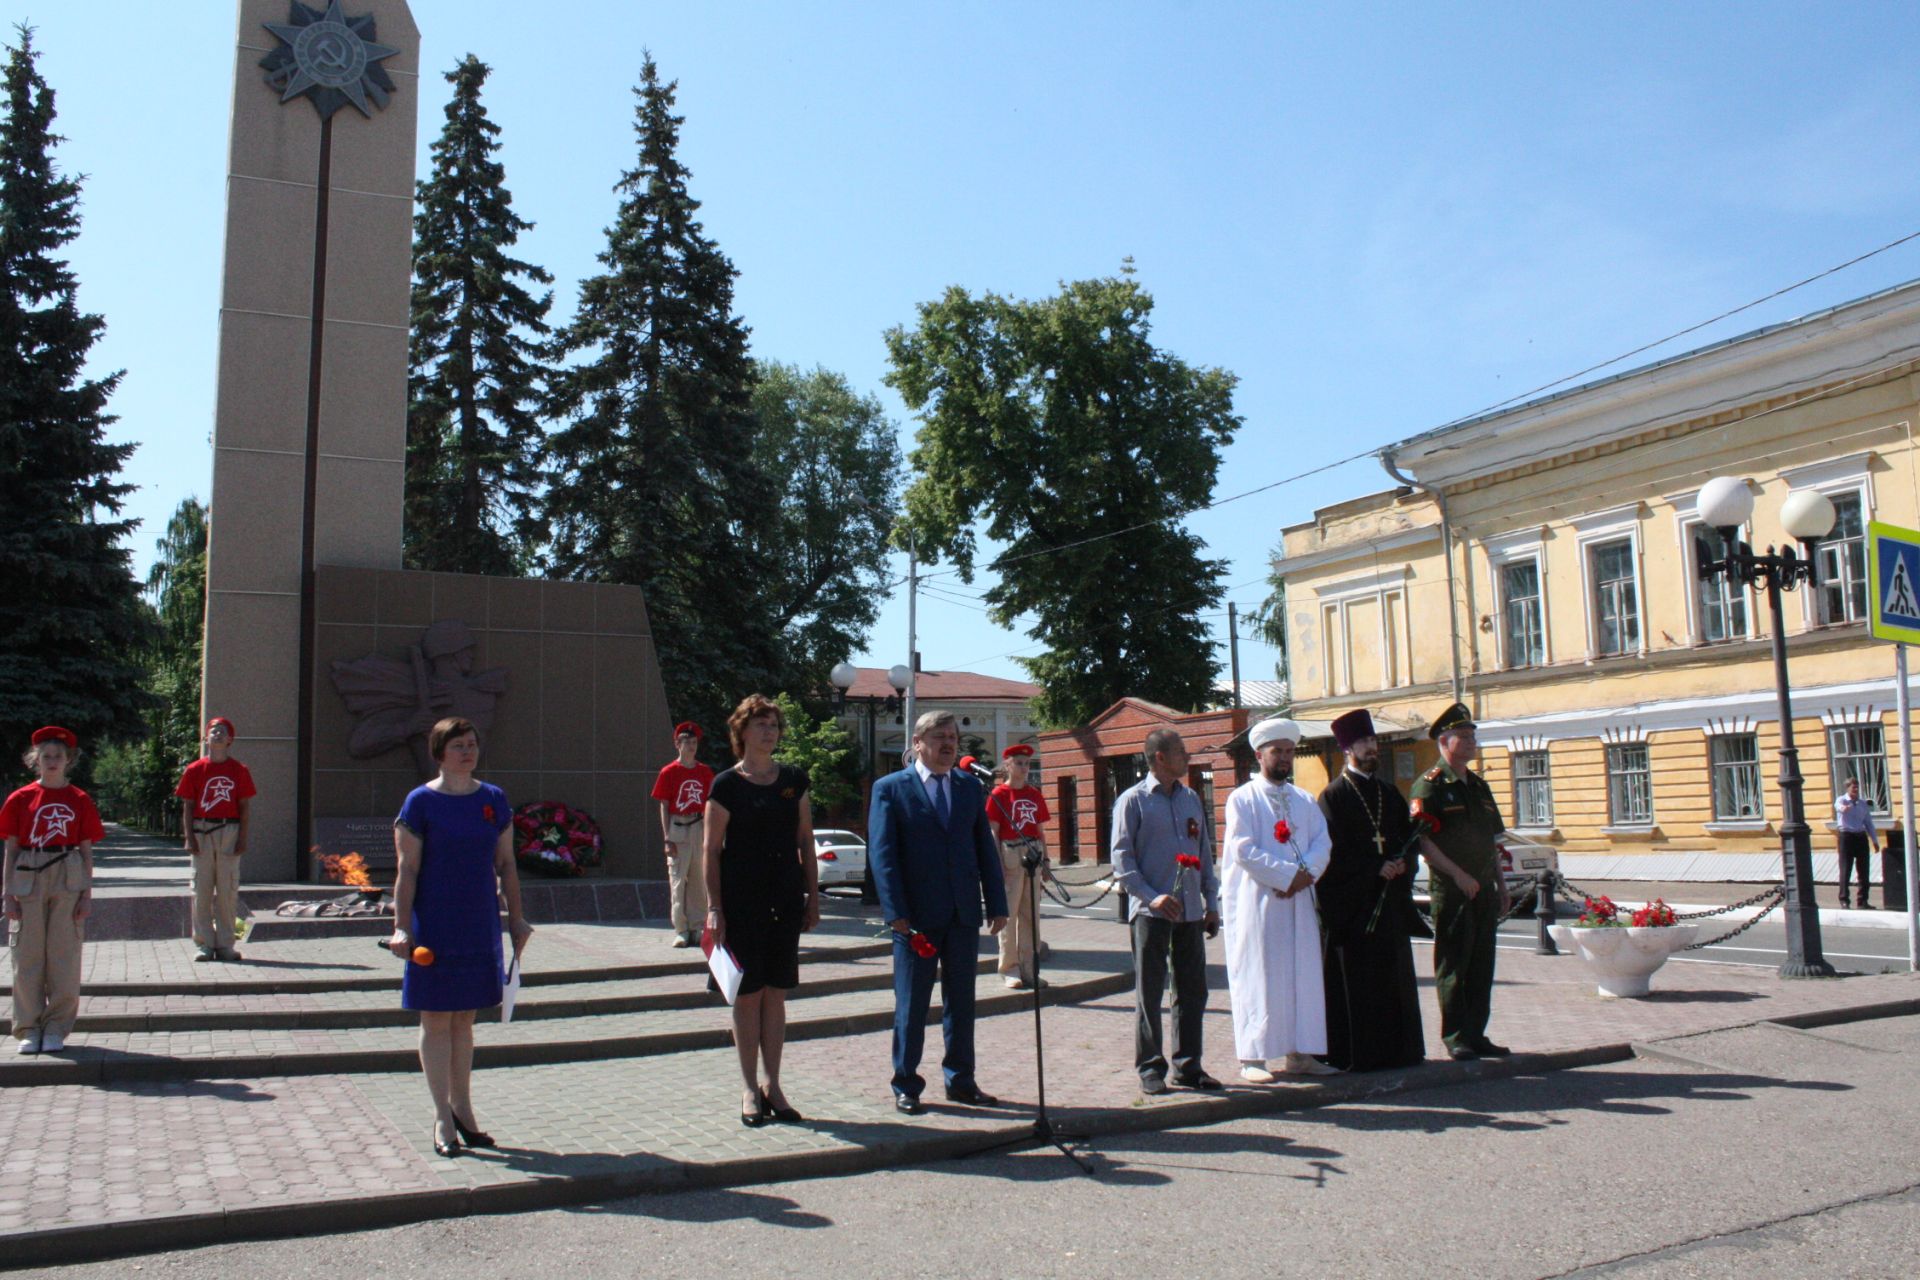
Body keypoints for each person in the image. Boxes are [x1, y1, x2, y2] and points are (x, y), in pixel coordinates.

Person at [387, 717, 534, 1157]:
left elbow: (506, 864)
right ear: (439, 753)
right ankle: (441, 1118)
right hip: (434, 923)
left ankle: (464, 1111)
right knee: (435, 1019)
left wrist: (517, 919)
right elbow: (406, 870)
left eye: (472, 744)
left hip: (477, 920)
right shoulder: (420, 802)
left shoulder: (493, 799)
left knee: (464, 1021)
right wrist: (401, 926)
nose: (468, 752)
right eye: (458, 746)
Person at [868, 709, 1009, 1115]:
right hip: (915, 919)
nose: (949, 745)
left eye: (952, 738)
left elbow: (984, 847)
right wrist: (895, 911)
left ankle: (961, 1081)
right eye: (939, 737)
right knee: (912, 1005)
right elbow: (883, 855)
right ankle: (906, 1084)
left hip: (962, 914)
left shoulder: (968, 787)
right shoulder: (890, 788)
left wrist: (995, 903)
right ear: (918, 743)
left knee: (962, 1003)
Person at [703, 695, 821, 1128]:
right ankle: (749, 1088)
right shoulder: (726, 785)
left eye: (773, 725)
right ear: (742, 732)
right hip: (740, 903)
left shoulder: (793, 780)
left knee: (776, 993)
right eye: (760, 725)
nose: (769, 732)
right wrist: (714, 909)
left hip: (785, 900)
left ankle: (774, 1085)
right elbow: (710, 850)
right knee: (747, 996)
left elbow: (805, 841)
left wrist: (813, 895)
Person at [1221, 717, 1335, 1082]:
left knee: (1301, 974)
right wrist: (1286, 876)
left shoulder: (1303, 799)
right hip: (1259, 903)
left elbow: (1323, 843)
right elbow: (1243, 850)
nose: (1285, 758)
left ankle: (1301, 1053)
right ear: (1259, 754)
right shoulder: (1242, 798)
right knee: (1259, 975)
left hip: (1299, 902)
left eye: (1289, 751)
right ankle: (1252, 1058)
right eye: (1278, 751)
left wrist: (1304, 876)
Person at [1112, 728, 1223, 1095]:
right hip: (1152, 913)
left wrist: (1211, 903)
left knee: (1193, 991)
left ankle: (1188, 1065)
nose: (1187, 756)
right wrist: (1151, 897)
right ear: (1160, 757)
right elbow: (1122, 860)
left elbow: (1204, 852)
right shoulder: (1134, 801)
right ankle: (1150, 1067)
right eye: (1180, 751)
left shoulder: (1190, 797)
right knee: (1150, 991)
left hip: (1190, 912)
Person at [1315, 709, 1426, 1072]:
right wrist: (1373, 868)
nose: (1372, 748)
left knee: (1393, 978)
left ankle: (1400, 1051)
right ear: (1347, 748)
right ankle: (1360, 1054)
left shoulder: (1388, 792)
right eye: (1364, 742)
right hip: (1355, 907)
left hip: (1388, 903)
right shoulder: (1332, 796)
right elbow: (1331, 853)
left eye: (1374, 741)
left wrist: (1402, 863)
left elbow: (1406, 837)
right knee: (1360, 983)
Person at [1412, 702, 1511, 1061]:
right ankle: (1456, 1036)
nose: (1472, 743)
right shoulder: (1430, 786)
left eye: (1473, 736)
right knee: (1454, 963)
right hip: (1453, 889)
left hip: (1483, 886)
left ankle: (1477, 1033)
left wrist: (1501, 884)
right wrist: (1459, 875)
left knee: (1482, 963)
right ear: (1444, 741)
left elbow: (1493, 841)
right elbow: (1424, 841)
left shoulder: (1479, 786)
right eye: (1464, 737)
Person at [2, 727, 102, 1055]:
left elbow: (87, 851)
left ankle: (57, 1026)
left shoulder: (79, 799)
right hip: (29, 875)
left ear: (68, 760)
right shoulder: (21, 799)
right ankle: (28, 1027)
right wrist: (8, 895)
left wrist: (87, 894)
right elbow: (12, 849)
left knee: (64, 955)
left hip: (67, 876)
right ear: (36, 760)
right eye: (46, 756)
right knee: (27, 956)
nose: (52, 761)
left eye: (59, 756)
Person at [175, 715, 255, 962]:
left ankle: (225, 944)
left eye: (222, 731)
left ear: (230, 740)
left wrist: (242, 837)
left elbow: (244, 807)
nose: (217, 734)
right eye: (213, 731)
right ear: (206, 738)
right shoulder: (195, 770)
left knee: (228, 890)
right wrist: (189, 837)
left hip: (228, 831)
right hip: (202, 831)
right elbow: (188, 806)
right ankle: (204, 944)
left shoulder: (239, 770)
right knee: (202, 890)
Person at [988, 743, 1050, 990]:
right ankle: (1009, 969)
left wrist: (1046, 861)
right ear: (1007, 765)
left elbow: (1041, 831)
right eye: (1019, 763)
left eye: (1027, 764)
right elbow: (992, 832)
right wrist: (996, 864)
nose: (1024, 768)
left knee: (1031, 916)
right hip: (1009, 854)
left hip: (1033, 853)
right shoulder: (999, 795)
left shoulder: (1035, 794)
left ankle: (1030, 970)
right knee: (1009, 916)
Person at [652, 722, 715, 946]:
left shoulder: (704, 771)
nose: (691, 746)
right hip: (678, 827)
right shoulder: (668, 772)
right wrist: (667, 836)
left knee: (698, 879)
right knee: (678, 880)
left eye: (694, 742)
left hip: (698, 826)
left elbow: (710, 804)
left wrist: (710, 834)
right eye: (686, 742)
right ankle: (681, 929)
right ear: (677, 744)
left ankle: (697, 927)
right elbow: (664, 804)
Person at [1835, 777, 1878, 909]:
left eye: (1857, 787)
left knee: (1864, 870)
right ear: (1847, 788)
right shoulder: (1841, 799)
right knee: (1846, 869)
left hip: (1860, 836)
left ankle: (1863, 900)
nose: (1856, 789)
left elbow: (1868, 823)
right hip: (1846, 836)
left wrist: (1874, 840)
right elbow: (1838, 807)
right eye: (1853, 787)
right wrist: (1844, 808)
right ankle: (1844, 900)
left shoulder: (1862, 804)